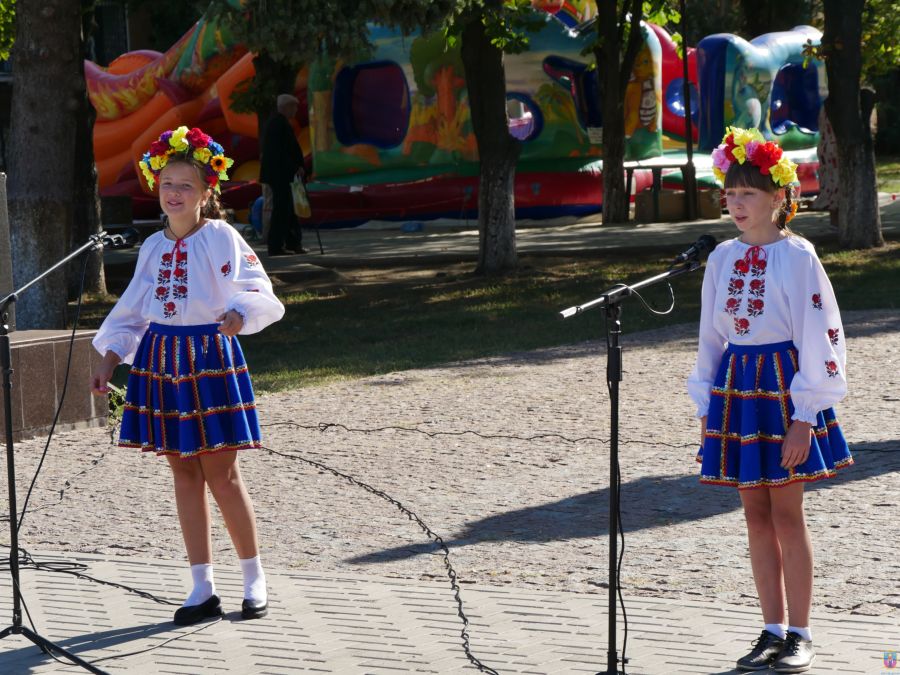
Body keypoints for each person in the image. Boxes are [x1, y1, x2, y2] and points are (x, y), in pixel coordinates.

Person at [90, 126, 285, 626]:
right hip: (162, 358)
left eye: (185, 186)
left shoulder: (220, 235)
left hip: (210, 355)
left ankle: (253, 576)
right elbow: (134, 308)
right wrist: (111, 355)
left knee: (221, 472)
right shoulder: (152, 247)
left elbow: (255, 286)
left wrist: (240, 314)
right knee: (182, 471)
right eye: (167, 183)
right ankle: (201, 586)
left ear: (205, 194)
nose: (173, 193)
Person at [688, 127, 852, 673]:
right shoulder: (721, 260)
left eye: (748, 194)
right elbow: (711, 337)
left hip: (784, 387)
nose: (736, 204)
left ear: (779, 198)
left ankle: (801, 633)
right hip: (737, 389)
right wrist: (708, 403)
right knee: (754, 513)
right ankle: (770, 628)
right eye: (730, 194)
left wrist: (806, 415)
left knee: (787, 512)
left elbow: (820, 332)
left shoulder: (798, 256)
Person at [259, 93, 306, 256]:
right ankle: (276, 246)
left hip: (282, 175)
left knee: (289, 210)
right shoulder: (278, 124)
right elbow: (280, 153)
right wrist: (295, 167)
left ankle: (293, 243)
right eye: (294, 106)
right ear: (286, 107)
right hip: (281, 175)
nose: (296, 110)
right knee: (282, 210)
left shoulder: (278, 122)